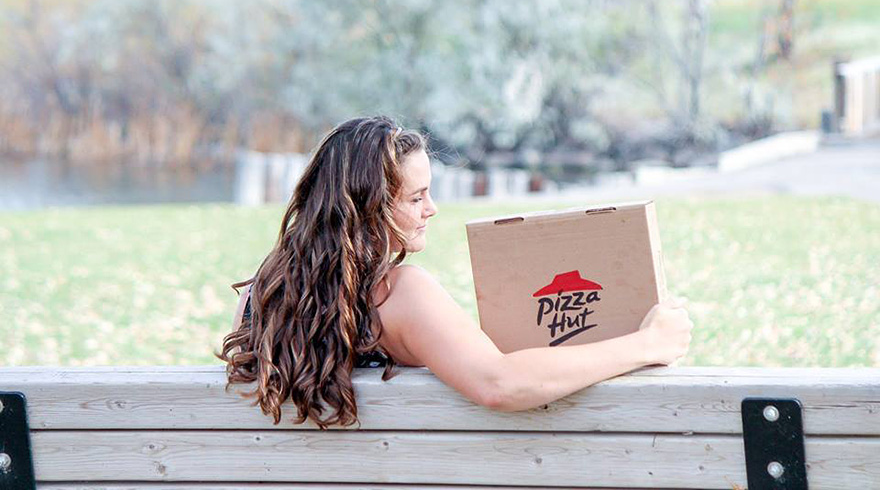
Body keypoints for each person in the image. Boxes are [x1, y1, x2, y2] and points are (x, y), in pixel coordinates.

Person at [216, 115, 693, 430]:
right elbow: (500, 384)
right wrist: (647, 344)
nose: (433, 209)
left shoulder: (257, 300)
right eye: (416, 197)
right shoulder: (396, 296)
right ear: (369, 208)